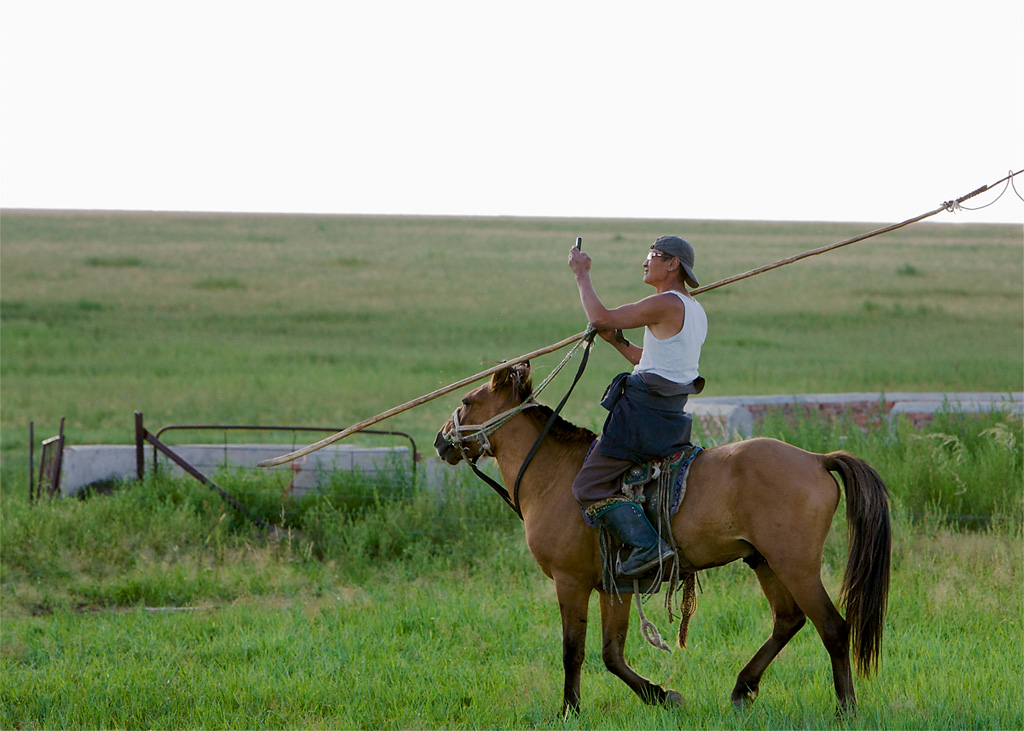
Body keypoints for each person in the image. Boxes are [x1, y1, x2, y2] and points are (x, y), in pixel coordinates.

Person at [567, 235, 707, 578]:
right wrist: (618, 341)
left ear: (672, 264)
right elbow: (657, 362)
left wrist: (581, 273)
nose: (646, 262)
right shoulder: (694, 310)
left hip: (641, 417)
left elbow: (599, 316)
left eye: (653, 256)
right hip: (669, 415)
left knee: (587, 487)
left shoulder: (665, 303)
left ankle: (646, 547)